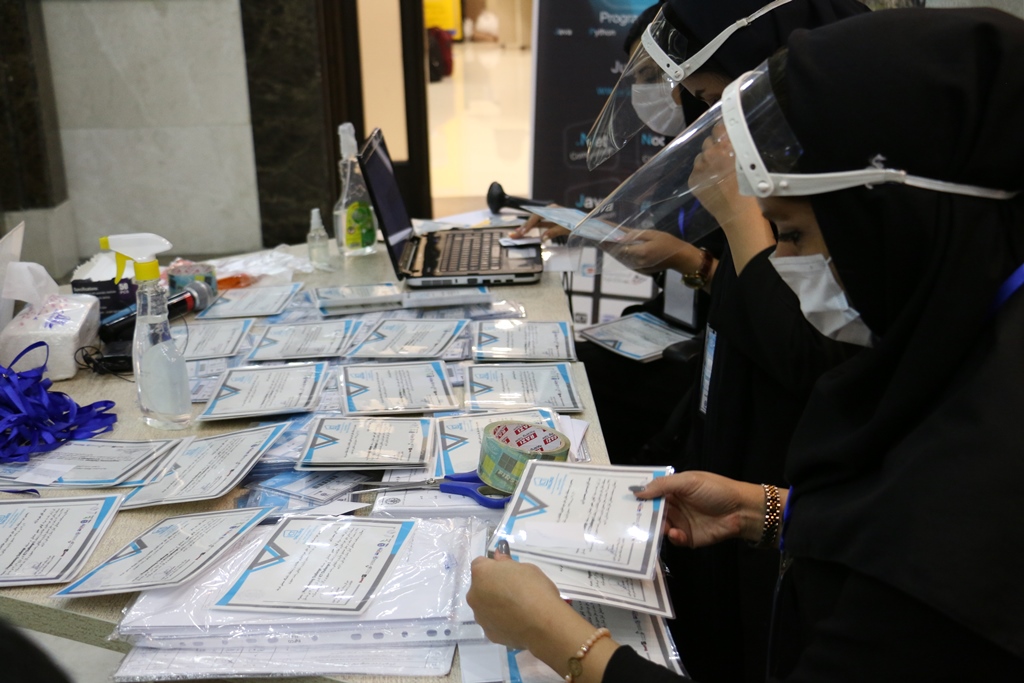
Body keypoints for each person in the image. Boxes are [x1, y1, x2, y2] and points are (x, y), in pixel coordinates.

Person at [468, 7, 1024, 681]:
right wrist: (774, 511)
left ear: (888, 224)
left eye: (790, 234)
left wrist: (559, 638)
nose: (779, 258)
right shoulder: (964, 356)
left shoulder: (966, 515)